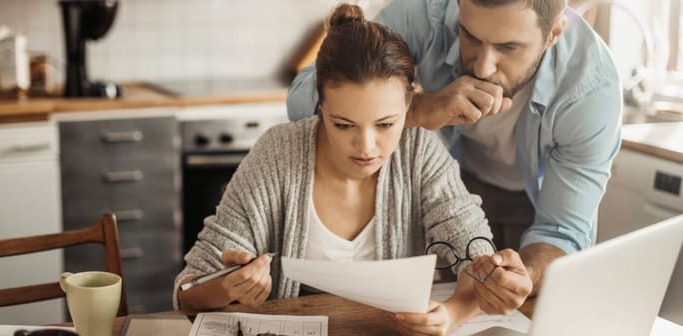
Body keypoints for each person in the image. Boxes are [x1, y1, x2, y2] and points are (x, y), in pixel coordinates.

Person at [174, 4, 530, 335]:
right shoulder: (278, 153)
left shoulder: (419, 149)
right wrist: (228, 285)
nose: (367, 147)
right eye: (343, 125)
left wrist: (456, 310)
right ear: (319, 104)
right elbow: (188, 292)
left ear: (410, 103)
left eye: (386, 124)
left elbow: (474, 253)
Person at [288, 0, 622, 315]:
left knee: (522, 308)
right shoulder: (425, 15)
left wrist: (528, 273)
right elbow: (302, 97)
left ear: (553, 34)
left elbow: (562, 230)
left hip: (531, 203)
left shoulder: (591, 90)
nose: (483, 66)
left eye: (508, 47)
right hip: (441, 197)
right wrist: (418, 109)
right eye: (470, 37)